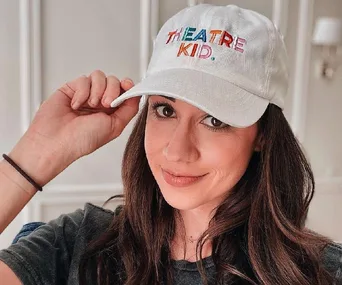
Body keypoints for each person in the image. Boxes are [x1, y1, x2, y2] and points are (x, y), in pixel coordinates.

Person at [0, 3, 341, 285]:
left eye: (215, 120)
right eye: (165, 110)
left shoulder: (319, 271)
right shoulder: (78, 245)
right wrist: (35, 156)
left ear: (263, 135)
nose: (177, 151)